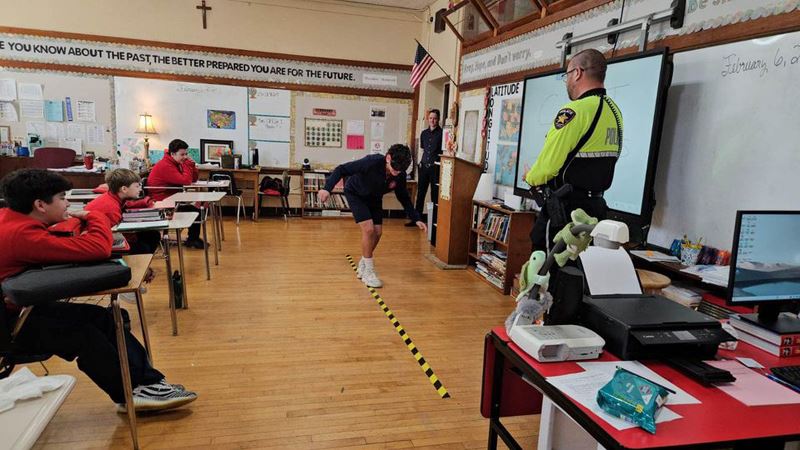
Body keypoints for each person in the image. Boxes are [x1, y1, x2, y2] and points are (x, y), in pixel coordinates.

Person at [0, 169, 197, 412]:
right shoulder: (21, 234)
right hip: (11, 323)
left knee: (104, 318)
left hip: (22, 309)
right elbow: (97, 248)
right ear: (40, 204)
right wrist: (94, 216)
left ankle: (148, 382)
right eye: (62, 197)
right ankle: (128, 394)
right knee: (85, 336)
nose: (68, 203)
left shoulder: (10, 219)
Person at [524, 49, 623, 251]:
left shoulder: (574, 111)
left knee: (545, 272)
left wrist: (530, 177)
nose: (566, 81)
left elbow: (547, 167)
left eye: (566, 75)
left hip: (564, 213)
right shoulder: (615, 111)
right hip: (595, 211)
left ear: (577, 73)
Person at [319, 144, 427, 288]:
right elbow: (341, 169)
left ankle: (364, 262)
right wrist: (327, 189)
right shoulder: (371, 162)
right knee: (369, 230)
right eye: (395, 169)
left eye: (400, 170)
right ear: (388, 158)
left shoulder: (399, 174)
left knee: (378, 232)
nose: (396, 173)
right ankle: (369, 272)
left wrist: (416, 217)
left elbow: (403, 197)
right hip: (355, 194)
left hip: (374, 198)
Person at [85, 168, 161, 255]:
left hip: (104, 237)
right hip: (98, 243)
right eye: (137, 186)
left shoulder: (113, 198)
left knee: (153, 234)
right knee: (143, 247)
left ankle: (142, 262)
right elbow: (116, 235)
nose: (140, 189)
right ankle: (136, 266)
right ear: (124, 189)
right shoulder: (111, 208)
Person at [147, 139, 204, 249]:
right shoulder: (166, 165)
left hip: (171, 199)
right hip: (162, 203)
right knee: (195, 210)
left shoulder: (175, 163)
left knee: (196, 208)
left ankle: (193, 239)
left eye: (186, 154)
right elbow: (186, 181)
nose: (185, 157)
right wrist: (187, 164)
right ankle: (193, 240)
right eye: (182, 154)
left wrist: (192, 166)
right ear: (172, 154)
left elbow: (193, 179)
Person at [407, 109, 443, 227]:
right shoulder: (423, 133)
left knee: (434, 194)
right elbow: (423, 149)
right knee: (420, 194)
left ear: (438, 119)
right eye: (431, 118)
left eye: (435, 118)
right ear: (428, 119)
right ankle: (417, 220)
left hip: (435, 168)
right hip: (424, 167)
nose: (432, 120)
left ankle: (434, 221)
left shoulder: (442, 133)